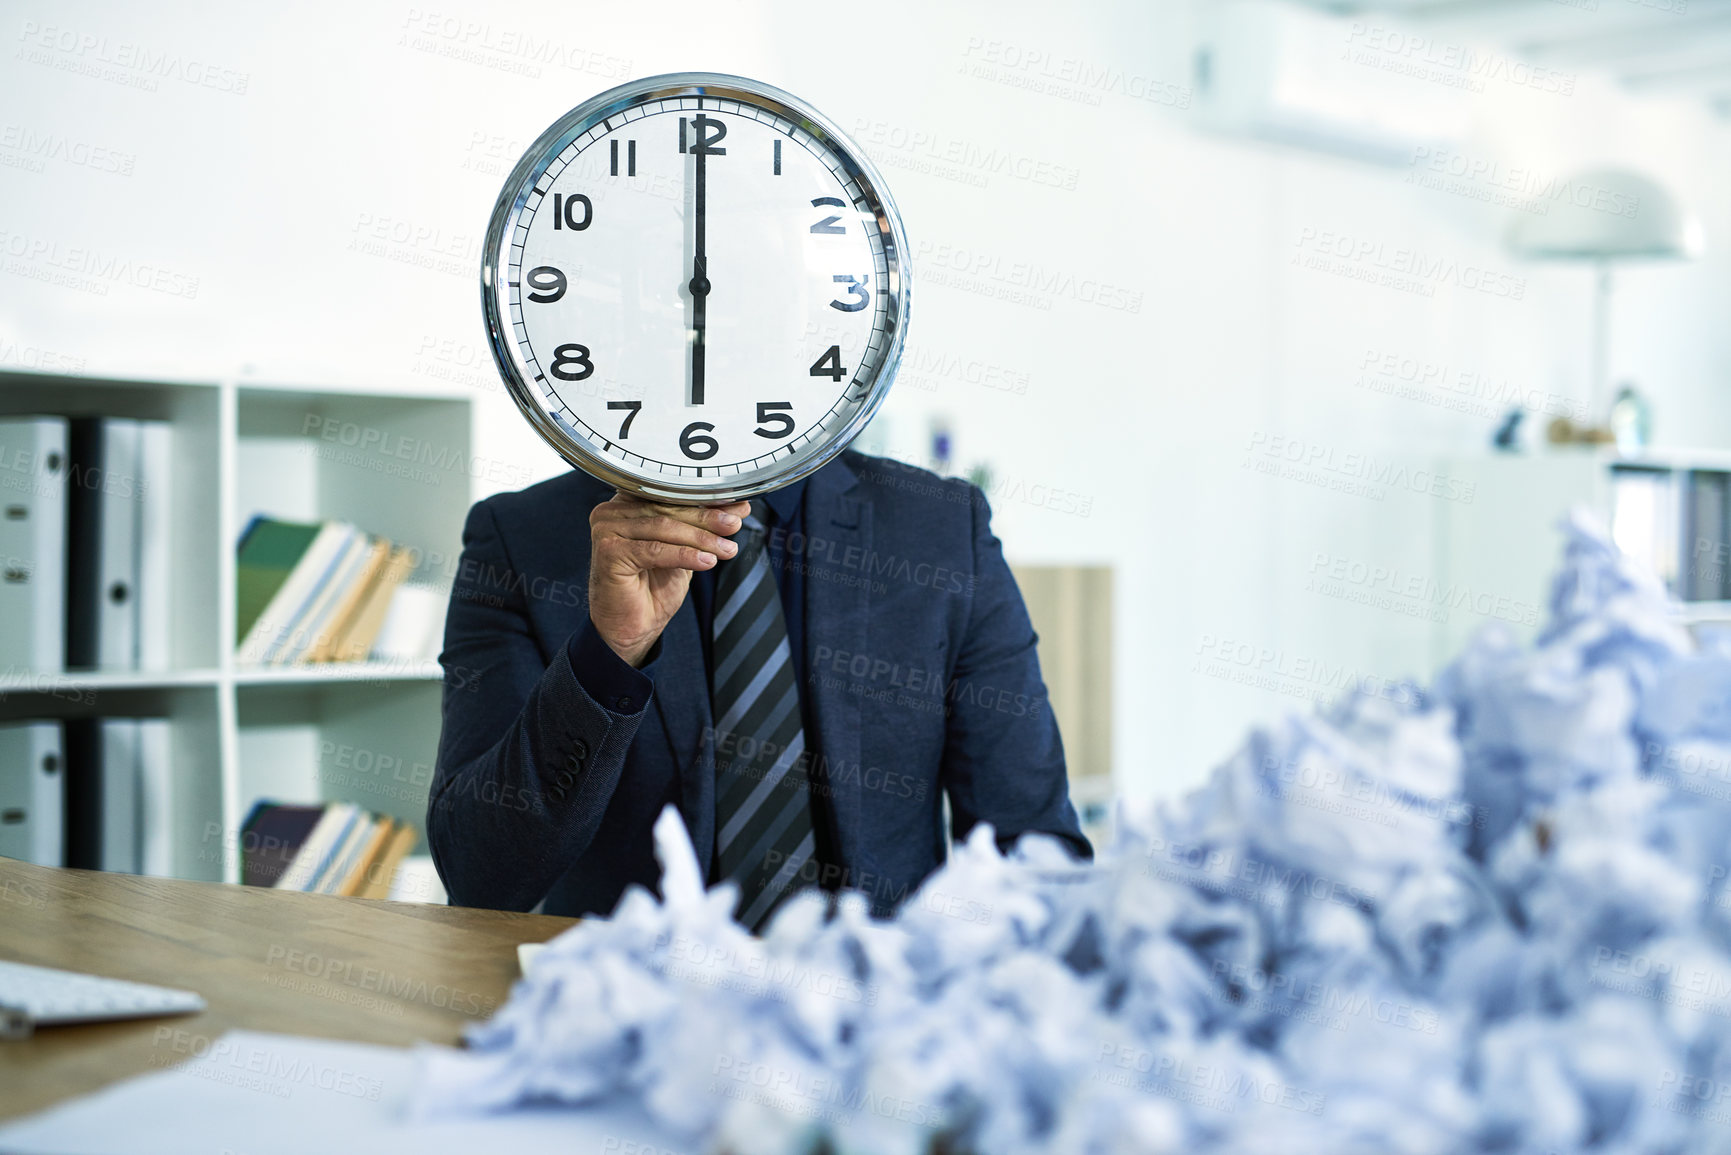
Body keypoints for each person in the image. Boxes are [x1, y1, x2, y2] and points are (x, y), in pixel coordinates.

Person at [428, 450, 1090, 928]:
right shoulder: (519, 540)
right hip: (634, 1041)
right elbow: (480, 876)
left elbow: (1030, 850)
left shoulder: (941, 530)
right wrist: (609, 652)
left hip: (885, 1038)